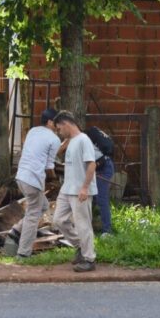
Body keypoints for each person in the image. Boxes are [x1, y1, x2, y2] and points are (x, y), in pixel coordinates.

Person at [9, 108, 61, 259]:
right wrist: (55, 180)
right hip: (33, 180)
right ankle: (23, 253)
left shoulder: (33, 131)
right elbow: (49, 166)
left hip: (21, 177)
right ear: (51, 122)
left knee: (43, 206)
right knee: (33, 215)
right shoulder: (54, 139)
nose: (59, 125)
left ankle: (15, 231)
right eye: (57, 122)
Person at [52, 111, 98, 272]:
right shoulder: (71, 140)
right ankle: (80, 245)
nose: (59, 132)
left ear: (66, 124)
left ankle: (89, 258)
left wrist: (85, 188)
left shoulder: (84, 140)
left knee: (83, 225)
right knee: (58, 220)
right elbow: (55, 154)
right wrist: (65, 141)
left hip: (80, 190)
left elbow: (92, 165)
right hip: (67, 189)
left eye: (59, 129)